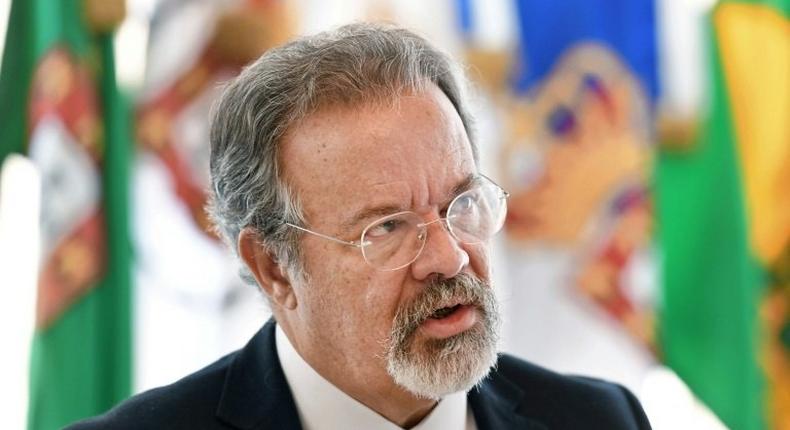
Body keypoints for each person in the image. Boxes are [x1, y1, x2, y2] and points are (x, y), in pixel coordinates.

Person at [69, 23, 651, 429]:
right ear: (274, 267)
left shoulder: (602, 419)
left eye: (461, 204)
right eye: (389, 227)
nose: (448, 258)